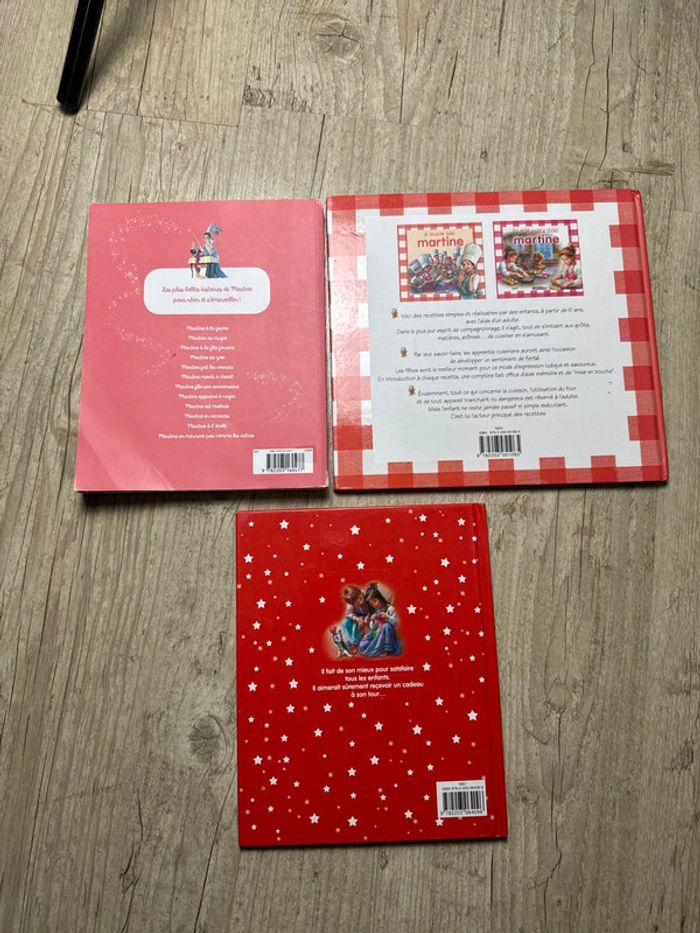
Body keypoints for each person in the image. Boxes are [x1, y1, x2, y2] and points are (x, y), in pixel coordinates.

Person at [357, 583, 401, 657]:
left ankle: (386, 649)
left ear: (380, 597)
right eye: (372, 604)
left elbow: (395, 623)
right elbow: (373, 627)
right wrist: (372, 620)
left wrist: (387, 617)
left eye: (375, 601)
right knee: (362, 644)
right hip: (377, 632)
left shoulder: (390, 608)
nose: (375, 604)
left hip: (387, 634)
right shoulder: (376, 611)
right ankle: (375, 646)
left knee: (386, 626)